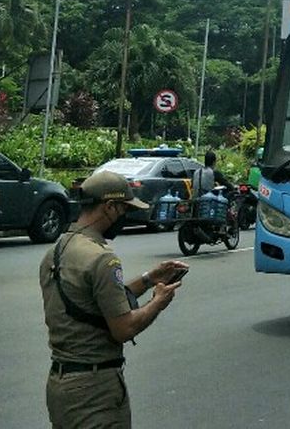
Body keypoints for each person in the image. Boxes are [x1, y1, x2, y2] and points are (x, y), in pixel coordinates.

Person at [40, 170, 188, 428]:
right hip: (95, 391)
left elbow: (93, 300)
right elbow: (124, 328)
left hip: (60, 386)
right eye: (124, 211)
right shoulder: (102, 258)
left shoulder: (57, 251)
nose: (125, 218)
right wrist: (158, 301)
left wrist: (148, 278)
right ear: (109, 207)